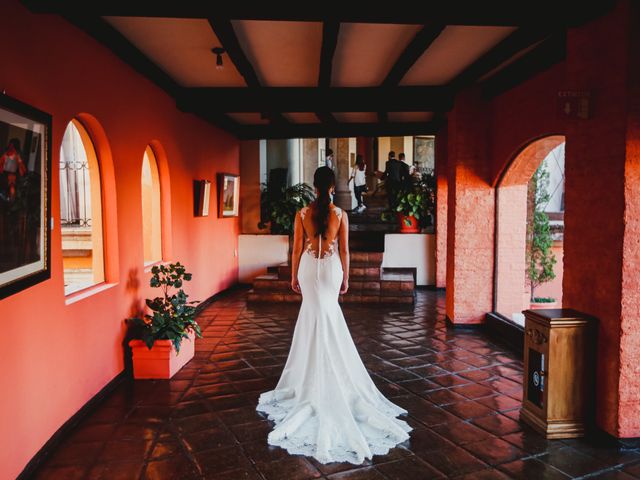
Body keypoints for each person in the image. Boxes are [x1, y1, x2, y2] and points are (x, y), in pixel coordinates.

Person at [256, 166, 411, 465]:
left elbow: (297, 247)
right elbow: (345, 252)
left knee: (312, 317)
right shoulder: (341, 214)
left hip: (308, 267)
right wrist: (346, 279)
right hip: (330, 270)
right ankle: (332, 370)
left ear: (314, 186)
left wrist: (294, 277)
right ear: (331, 186)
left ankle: (308, 377)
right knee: (329, 317)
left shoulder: (302, 213)